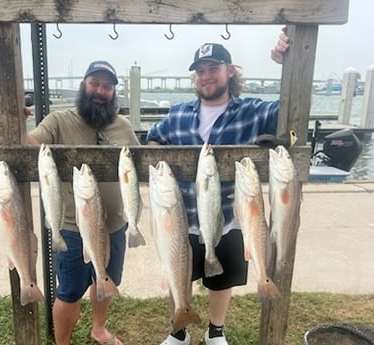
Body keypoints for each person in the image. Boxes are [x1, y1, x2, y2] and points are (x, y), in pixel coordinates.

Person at [146, 34, 289, 345]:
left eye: (213, 68)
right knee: (178, 274)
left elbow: (291, 111)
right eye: (200, 71)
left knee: (221, 279)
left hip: (230, 216)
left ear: (230, 71)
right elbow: (152, 139)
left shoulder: (252, 111)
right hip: (182, 216)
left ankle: (215, 331)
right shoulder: (178, 114)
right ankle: (178, 331)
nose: (206, 76)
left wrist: (287, 66)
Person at [27, 60, 140, 345]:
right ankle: (62, 343)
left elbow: (140, 162)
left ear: (114, 92)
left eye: (107, 86)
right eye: (95, 84)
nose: (100, 91)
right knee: (69, 290)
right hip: (71, 226)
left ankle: (98, 328)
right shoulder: (58, 121)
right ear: (83, 85)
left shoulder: (123, 125)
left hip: (114, 223)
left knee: (105, 281)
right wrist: (12, 119)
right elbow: (28, 145)